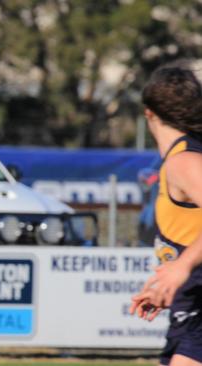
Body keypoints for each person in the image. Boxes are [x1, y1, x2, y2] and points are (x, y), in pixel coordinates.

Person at [128, 60, 202, 366]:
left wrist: (182, 267)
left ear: (149, 113)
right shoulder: (181, 158)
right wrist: (167, 279)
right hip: (189, 303)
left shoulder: (183, 161)